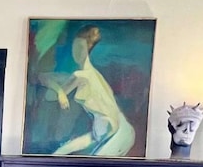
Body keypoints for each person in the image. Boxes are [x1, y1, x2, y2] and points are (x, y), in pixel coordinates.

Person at [38, 25, 135, 156]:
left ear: (88, 50)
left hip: (116, 135)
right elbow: (43, 77)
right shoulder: (89, 74)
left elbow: (50, 96)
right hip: (102, 133)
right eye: (75, 47)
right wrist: (60, 91)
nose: (76, 52)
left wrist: (59, 92)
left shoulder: (82, 76)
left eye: (80, 48)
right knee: (59, 153)